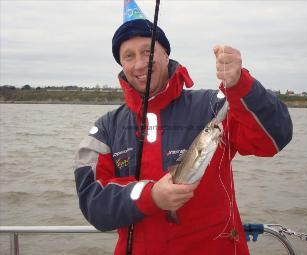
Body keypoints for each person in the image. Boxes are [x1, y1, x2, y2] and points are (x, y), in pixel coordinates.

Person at [74, 5, 293, 255]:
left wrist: (240, 84)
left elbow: (275, 139)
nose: (139, 64)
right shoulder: (105, 129)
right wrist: (152, 196)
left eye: (148, 51)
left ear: (166, 54)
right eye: (129, 56)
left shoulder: (214, 106)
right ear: (121, 64)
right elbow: (94, 205)